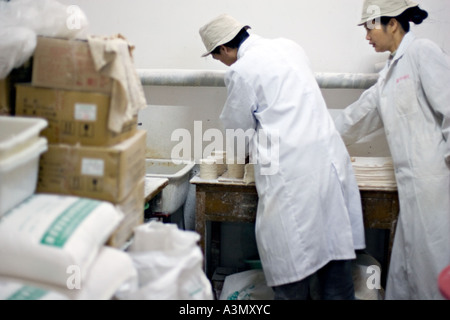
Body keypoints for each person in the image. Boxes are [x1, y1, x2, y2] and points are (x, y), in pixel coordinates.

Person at [199, 14, 366, 300]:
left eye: (217, 57)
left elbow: (240, 129)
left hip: (291, 175)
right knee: (336, 268)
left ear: (223, 49)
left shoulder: (242, 70)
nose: (221, 63)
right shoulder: (289, 46)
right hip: (328, 161)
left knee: (291, 273)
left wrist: (243, 156)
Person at [334, 0, 450, 300]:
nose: (366, 35)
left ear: (393, 24)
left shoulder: (422, 52)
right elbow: (358, 116)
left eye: (369, 27)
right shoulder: (389, 72)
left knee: (433, 269)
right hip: (411, 186)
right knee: (406, 270)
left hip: (436, 184)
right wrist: (314, 135)